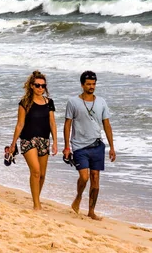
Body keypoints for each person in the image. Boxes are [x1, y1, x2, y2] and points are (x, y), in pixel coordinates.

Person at [63, 71, 116, 220]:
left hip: (97, 145)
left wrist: (112, 147)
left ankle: (91, 211)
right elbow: (67, 125)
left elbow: (107, 124)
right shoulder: (73, 102)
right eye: (88, 84)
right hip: (79, 146)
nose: (91, 87)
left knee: (95, 177)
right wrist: (67, 146)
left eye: (93, 84)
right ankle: (79, 196)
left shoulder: (101, 102)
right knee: (84, 177)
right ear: (82, 85)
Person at [9, 70, 58, 210]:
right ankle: (37, 205)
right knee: (35, 171)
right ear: (31, 86)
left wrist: (55, 142)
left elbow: (52, 123)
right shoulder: (24, 103)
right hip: (28, 140)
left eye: (43, 86)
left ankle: (36, 199)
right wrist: (13, 144)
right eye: (37, 85)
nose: (40, 88)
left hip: (44, 140)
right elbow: (20, 124)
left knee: (42, 175)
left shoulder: (49, 102)